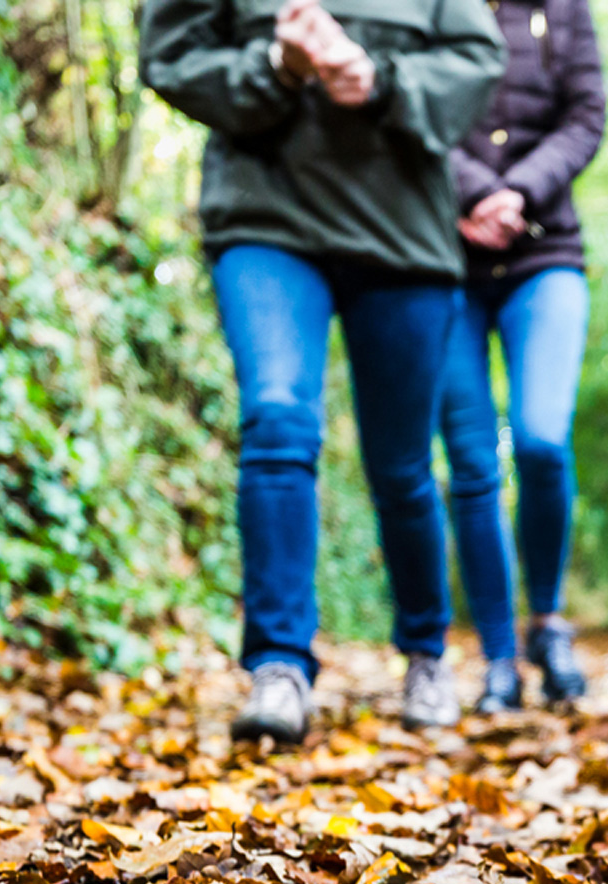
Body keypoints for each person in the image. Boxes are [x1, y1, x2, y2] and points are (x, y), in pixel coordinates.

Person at [141, 0, 505, 743]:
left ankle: (426, 654)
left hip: (404, 238)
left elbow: (478, 62)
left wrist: (380, 79)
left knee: (401, 466)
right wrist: (275, 67)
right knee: (277, 417)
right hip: (266, 223)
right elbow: (170, 56)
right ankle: (278, 666)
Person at [436, 0, 605, 712]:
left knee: (541, 439)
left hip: (546, 251)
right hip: (444, 257)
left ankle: (549, 622)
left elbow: (587, 116)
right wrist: (475, 193)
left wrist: (519, 192)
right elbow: (403, 110)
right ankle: (498, 658)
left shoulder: (565, 10)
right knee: (472, 463)